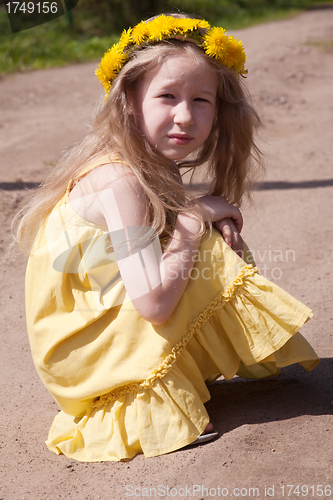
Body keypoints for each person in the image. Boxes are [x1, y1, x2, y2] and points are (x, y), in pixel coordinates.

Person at [16, 13, 319, 462]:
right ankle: (133, 396)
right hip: (81, 354)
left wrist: (199, 220)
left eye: (202, 100)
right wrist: (194, 221)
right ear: (130, 100)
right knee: (201, 244)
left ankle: (173, 367)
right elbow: (153, 303)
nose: (185, 116)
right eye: (167, 97)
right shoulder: (122, 178)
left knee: (210, 242)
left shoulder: (147, 161)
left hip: (91, 324)